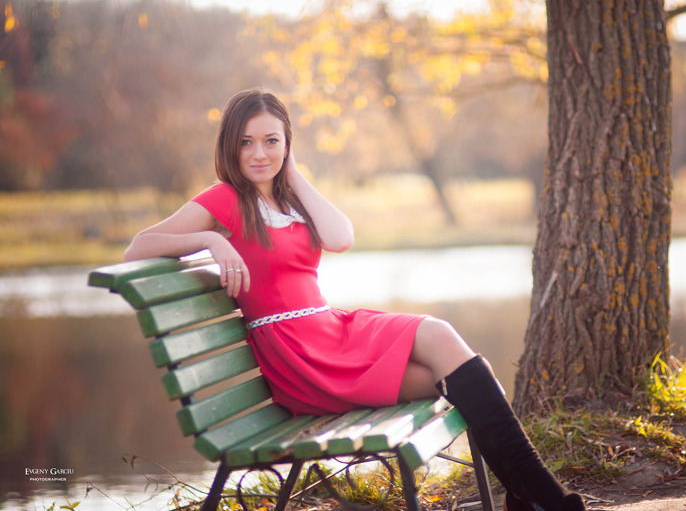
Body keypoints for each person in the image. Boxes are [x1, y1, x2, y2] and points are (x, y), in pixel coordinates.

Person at [125, 89, 585, 511]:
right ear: (230, 146)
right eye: (247, 143)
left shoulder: (289, 197)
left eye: (271, 140)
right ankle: (543, 497)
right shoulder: (225, 199)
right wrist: (211, 239)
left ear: (288, 144)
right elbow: (138, 247)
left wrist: (295, 174)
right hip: (303, 356)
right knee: (460, 370)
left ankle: (526, 498)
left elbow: (340, 237)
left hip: (333, 330)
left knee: (456, 367)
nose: (259, 153)